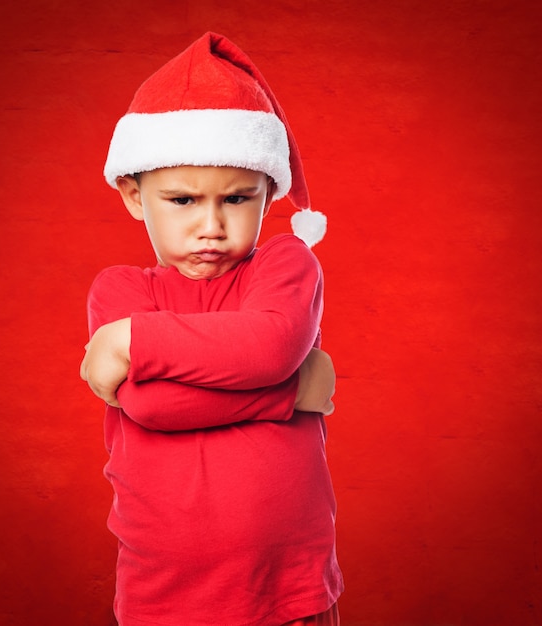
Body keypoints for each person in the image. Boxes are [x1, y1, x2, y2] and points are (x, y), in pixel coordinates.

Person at [80, 32, 344, 626]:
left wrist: (133, 341)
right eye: (181, 200)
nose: (211, 226)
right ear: (133, 195)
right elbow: (152, 406)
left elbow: (272, 344)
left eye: (237, 198)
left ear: (269, 193)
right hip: (165, 589)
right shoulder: (122, 290)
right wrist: (291, 391)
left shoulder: (284, 263)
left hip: (290, 585)